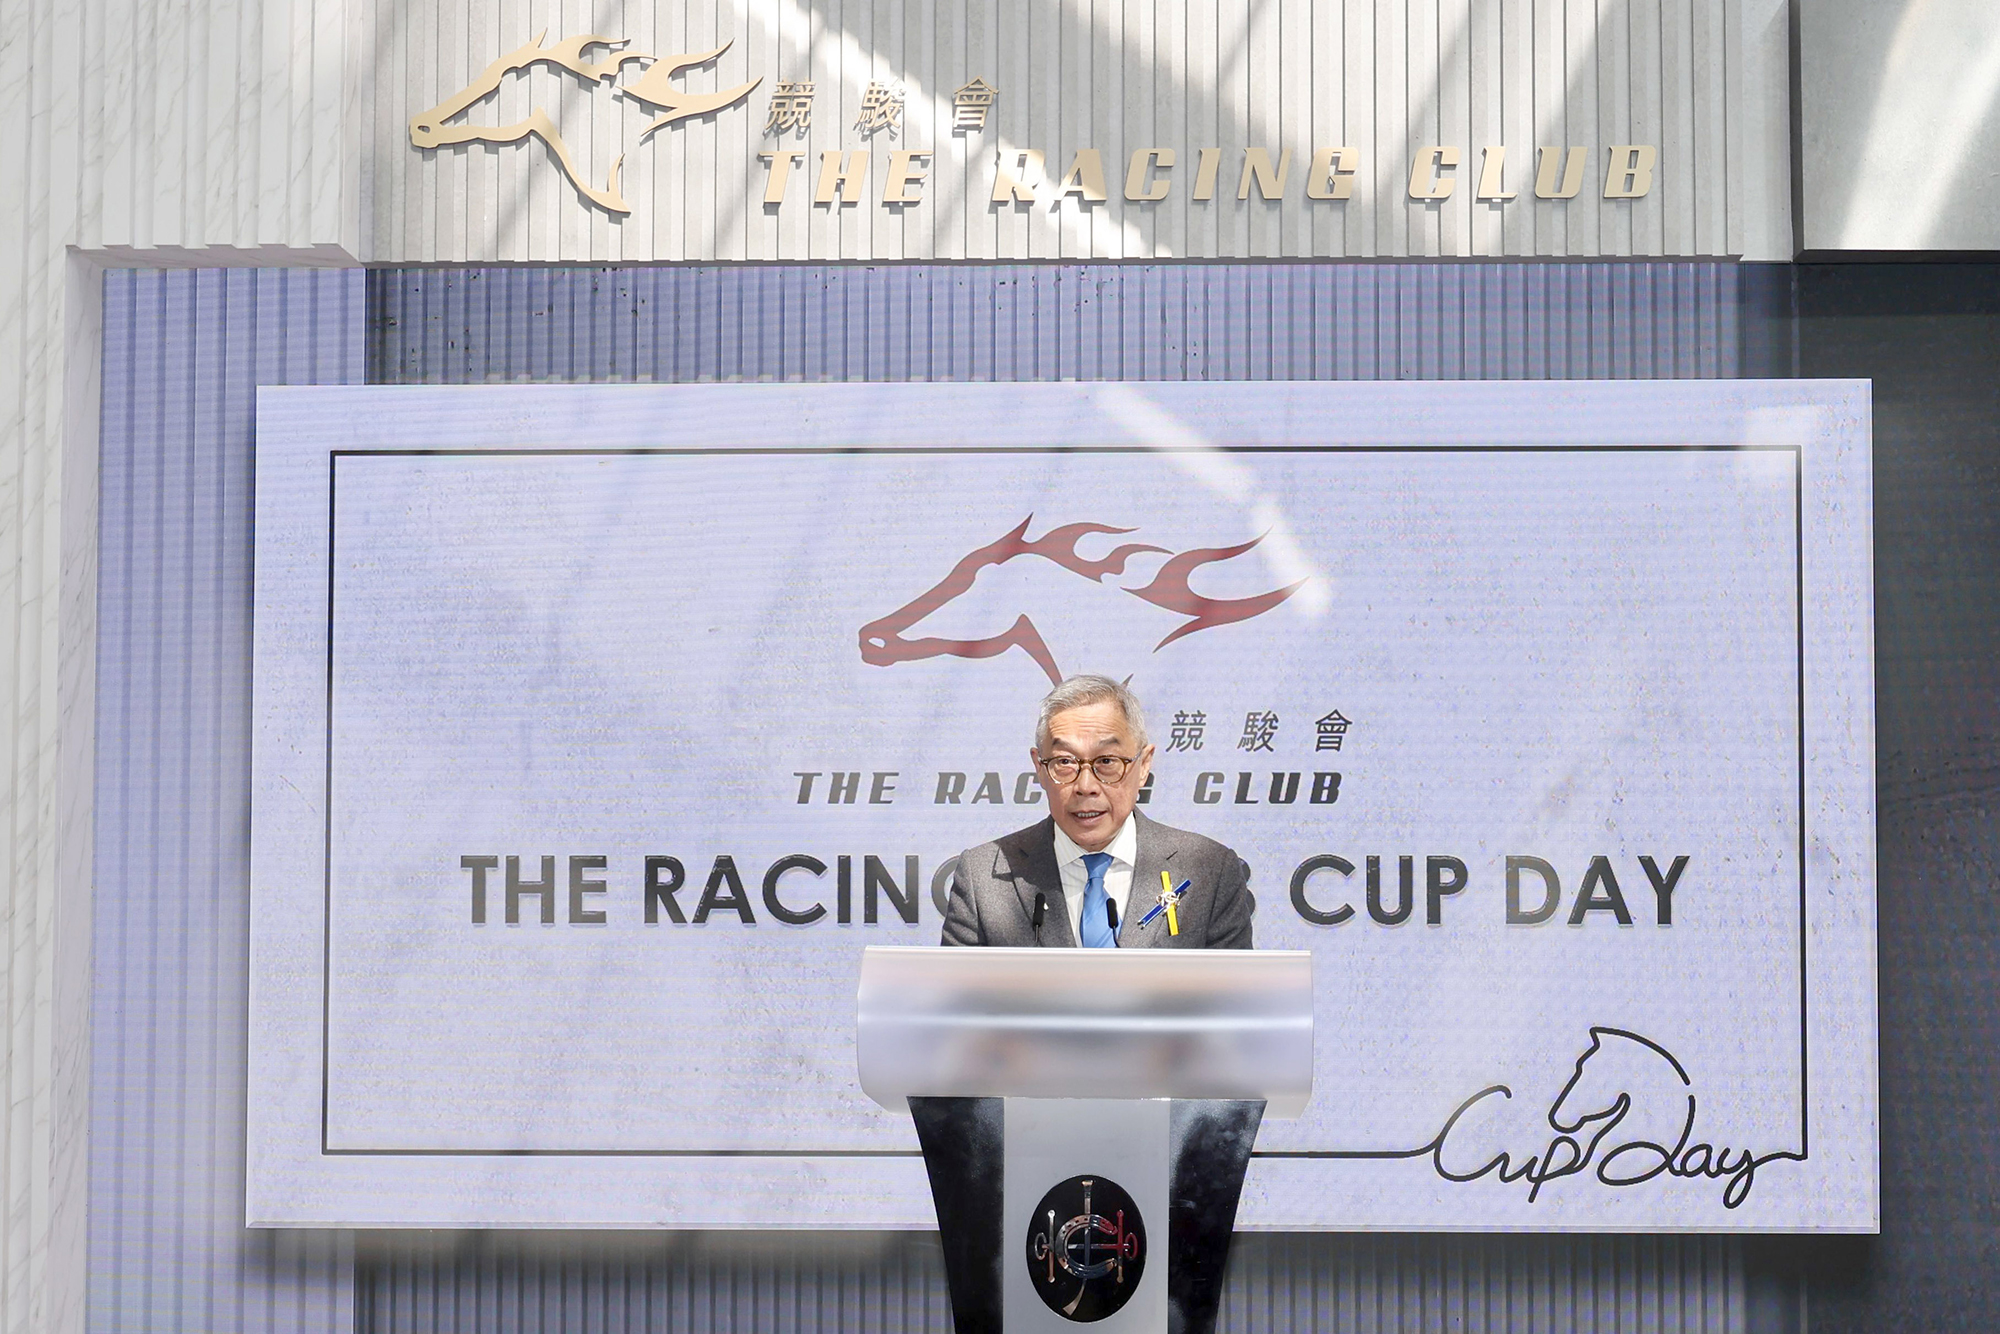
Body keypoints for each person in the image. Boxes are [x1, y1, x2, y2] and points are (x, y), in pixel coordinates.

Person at [940, 674, 1254, 948]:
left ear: (1144, 765)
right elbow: (960, 997)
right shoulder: (983, 878)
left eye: (1106, 761)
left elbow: (1231, 996)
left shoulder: (1210, 870)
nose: (1086, 786)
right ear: (1039, 767)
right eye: (1065, 762)